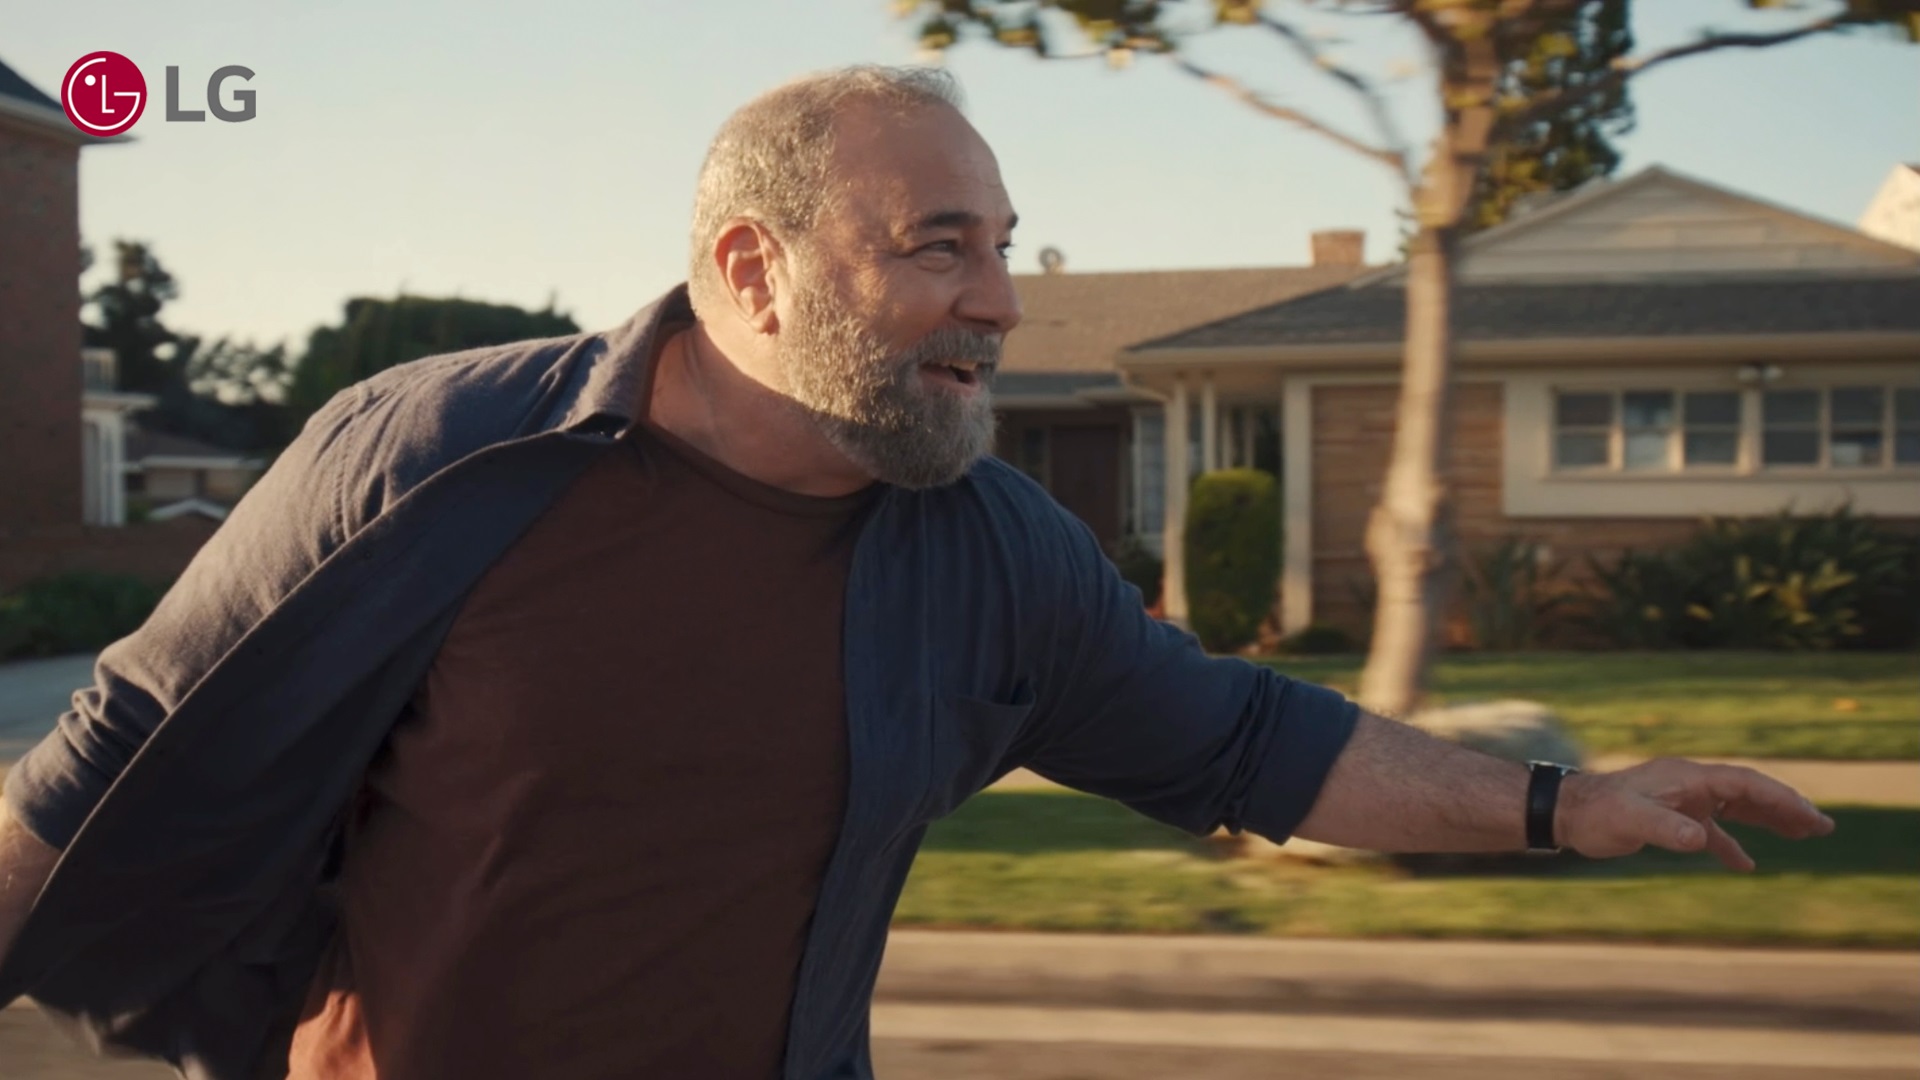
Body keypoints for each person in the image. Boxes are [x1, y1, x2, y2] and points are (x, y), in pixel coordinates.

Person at [0, 65, 1832, 1080]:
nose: (1002, 300)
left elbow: (1245, 743)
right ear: (752, 266)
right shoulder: (433, 457)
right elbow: (114, 756)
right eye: (937, 246)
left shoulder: (990, 552)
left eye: (1009, 247)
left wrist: (1558, 808)